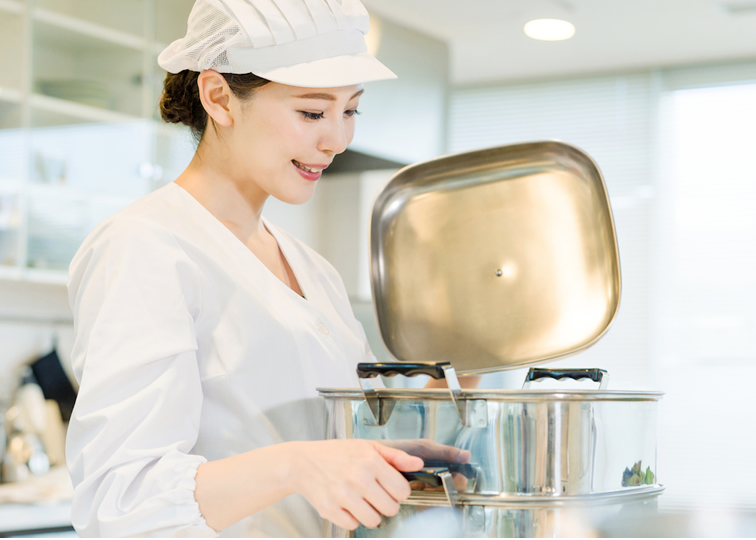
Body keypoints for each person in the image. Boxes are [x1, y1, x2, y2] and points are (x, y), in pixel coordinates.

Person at [64, 0, 472, 536]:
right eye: (311, 112)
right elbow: (120, 498)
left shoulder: (313, 271)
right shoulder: (145, 247)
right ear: (219, 97)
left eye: (350, 111)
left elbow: (315, 449)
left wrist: (391, 458)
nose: (336, 140)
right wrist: (295, 466)